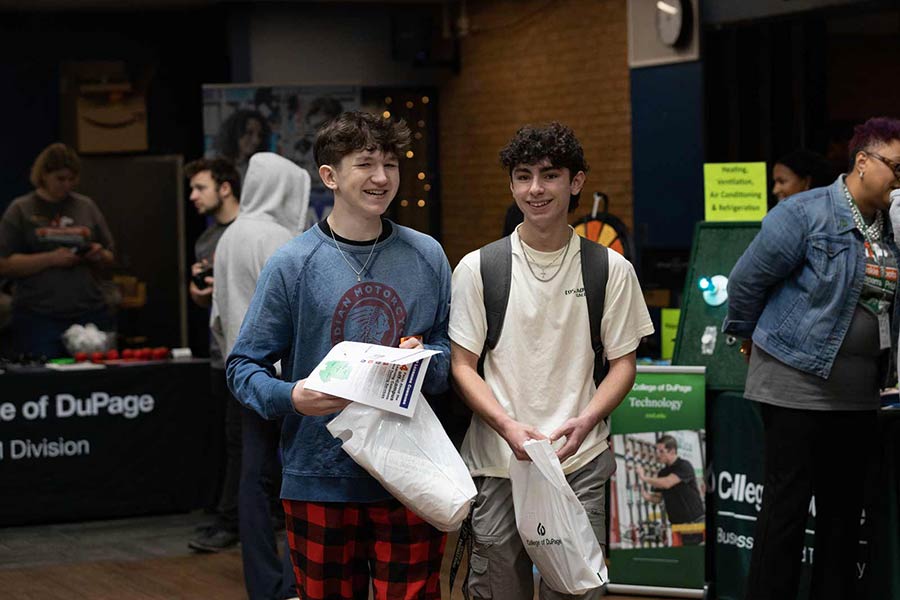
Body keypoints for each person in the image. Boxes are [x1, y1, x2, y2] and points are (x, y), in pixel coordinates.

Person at [227, 111, 451, 600]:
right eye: (365, 164)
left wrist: (424, 359)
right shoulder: (292, 263)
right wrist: (294, 396)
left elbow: (449, 356)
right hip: (318, 474)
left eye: (391, 165)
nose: (381, 178)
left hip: (410, 470)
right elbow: (243, 367)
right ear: (329, 176)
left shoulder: (427, 254)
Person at [450, 122, 654, 600]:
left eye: (549, 176)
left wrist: (587, 420)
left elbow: (624, 363)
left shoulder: (610, 268)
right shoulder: (479, 268)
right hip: (499, 462)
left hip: (578, 460)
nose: (535, 189)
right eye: (523, 176)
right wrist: (506, 425)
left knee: (578, 592)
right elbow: (463, 365)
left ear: (575, 182)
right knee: (498, 591)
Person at [723, 116, 900, 600]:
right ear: (863, 162)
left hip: (861, 395)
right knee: (787, 510)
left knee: (843, 516)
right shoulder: (804, 214)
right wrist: (746, 333)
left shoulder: (892, 228)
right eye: (896, 167)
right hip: (795, 386)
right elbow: (745, 281)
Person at [211, 152, 310, 600]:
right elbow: (301, 312)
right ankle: (295, 582)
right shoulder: (278, 237)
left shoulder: (229, 236)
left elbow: (218, 316)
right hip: (283, 382)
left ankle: (262, 584)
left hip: (240, 375)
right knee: (296, 478)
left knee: (253, 481)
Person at [0, 142, 115, 357]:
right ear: (44, 175)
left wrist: (97, 255)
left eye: (72, 179)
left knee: (96, 378)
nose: (67, 185)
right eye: (60, 179)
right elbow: (4, 264)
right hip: (38, 315)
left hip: (89, 310)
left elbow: (110, 257)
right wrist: (51, 259)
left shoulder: (86, 206)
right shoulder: (21, 209)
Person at [184, 157, 242, 553]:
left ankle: (233, 519)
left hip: (246, 357)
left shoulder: (249, 234)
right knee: (225, 439)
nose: (192, 196)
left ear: (225, 187)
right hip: (217, 353)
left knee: (242, 441)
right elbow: (200, 297)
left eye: (200, 187)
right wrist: (201, 291)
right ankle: (228, 512)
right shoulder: (205, 240)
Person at [636, 435, 704, 537]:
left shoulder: (684, 466)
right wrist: (645, 495)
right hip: (676, 525)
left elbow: (667, 483)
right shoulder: (662, 473)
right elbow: (658, 498)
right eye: (657, 451)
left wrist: (644, 477)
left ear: (672, 451)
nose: (658, 455)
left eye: (661, 451)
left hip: (695, 522)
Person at [215, 109, 272, 180]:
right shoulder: (213, 162)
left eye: (260, 135)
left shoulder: (257, 169)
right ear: (235, 133)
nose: (256, 141)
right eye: (249, 133)